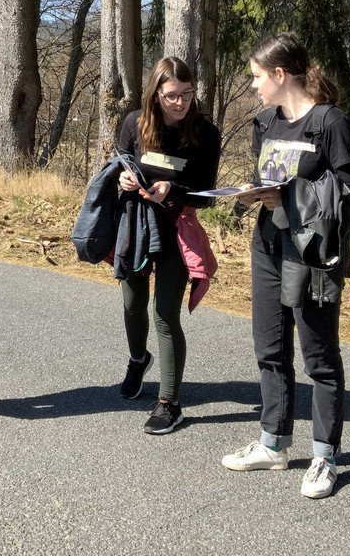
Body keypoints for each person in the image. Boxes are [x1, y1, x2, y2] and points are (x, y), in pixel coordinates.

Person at [221, 33, 350, 499]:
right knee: (270, 349)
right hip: (267, 246)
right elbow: (270, 181)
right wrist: (253, 194)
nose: (253, 86)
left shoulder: (330, 124)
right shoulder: (265, 122)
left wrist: (289, 195)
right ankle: (273, 444)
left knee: (319, 359)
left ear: (280, 76)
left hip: (311, 255)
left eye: (257, 77)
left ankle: (324, 457)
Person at [116, 57, 221, 434]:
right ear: (156, 94)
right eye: (171, 96)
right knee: (132, 303)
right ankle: (137, 358)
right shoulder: (134, 123)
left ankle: (169, 402)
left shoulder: (206, 133)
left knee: (164, 314)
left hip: (177, 229)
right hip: (136, 226)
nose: (180, 103)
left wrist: (172, 190)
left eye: (187, 94)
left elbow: (207, 195)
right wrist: (125, 181)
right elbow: (118, 166)